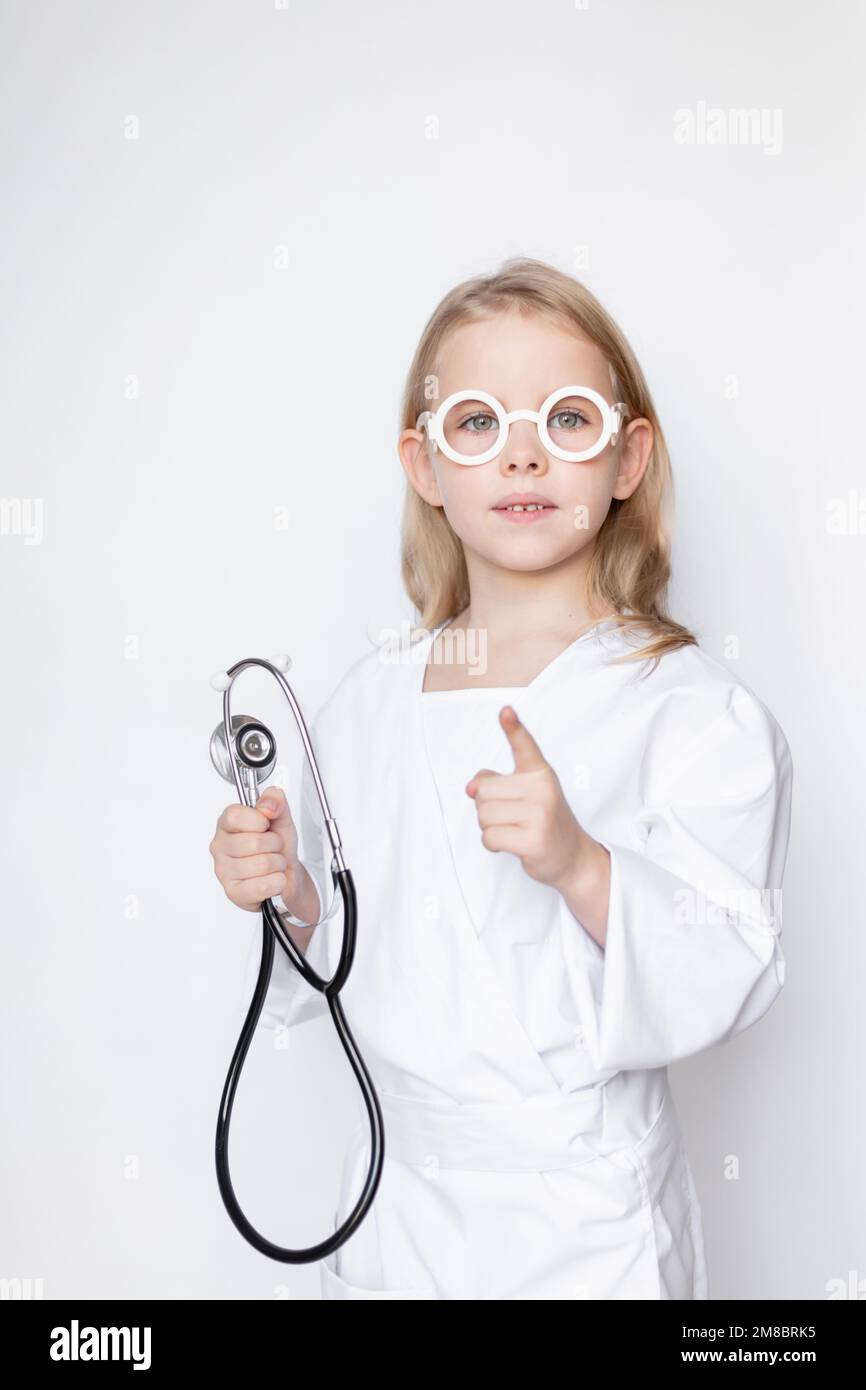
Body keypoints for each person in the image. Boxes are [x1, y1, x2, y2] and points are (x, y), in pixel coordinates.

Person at [208, 257, 793, 1300]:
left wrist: (580, 865)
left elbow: (727, 958)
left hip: (587, 1226)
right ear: (423, 465)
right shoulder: (366, 704)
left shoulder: (692, 713)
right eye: (475, 423)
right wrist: (288, 892)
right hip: (404, 1216)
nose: (521, 457)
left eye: (565, 420)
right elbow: (347, 954)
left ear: (627, 457)